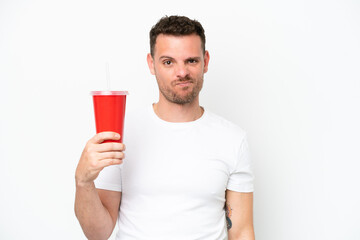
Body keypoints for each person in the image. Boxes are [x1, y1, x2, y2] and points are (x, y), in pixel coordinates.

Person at [75, 15, 254, 240]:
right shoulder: (121, 133)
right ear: (151, 64)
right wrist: (83, 182)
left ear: (206, 61)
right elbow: (98, 234)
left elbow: (241, 232)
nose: (182, 72)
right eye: (168, 62)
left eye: (191, 61)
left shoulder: (233, 139)